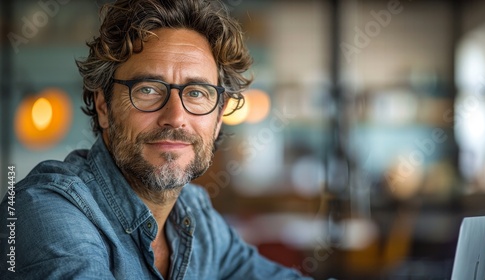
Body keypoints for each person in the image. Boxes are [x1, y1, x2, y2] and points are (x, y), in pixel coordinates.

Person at [0, 0, 314, 279]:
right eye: (148, 89)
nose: (175, 117)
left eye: (196, 93)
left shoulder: (195, 213)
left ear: (218, 118)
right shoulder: (42, 212)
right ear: (104, 106)